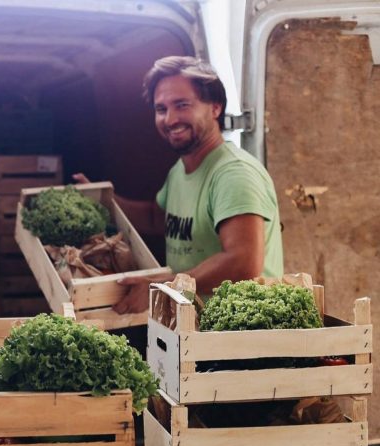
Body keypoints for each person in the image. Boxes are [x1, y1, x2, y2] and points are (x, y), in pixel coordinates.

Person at [75, 55, 283, 314]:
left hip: (240, 330)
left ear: (215, 108)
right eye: (161, 109)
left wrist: (165, 287)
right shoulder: (180, 170)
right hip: (196, 328)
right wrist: (103, 202)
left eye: (182, 105)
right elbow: (158, 218)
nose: (170, 119)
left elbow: (243, 261)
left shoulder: (233, 173)